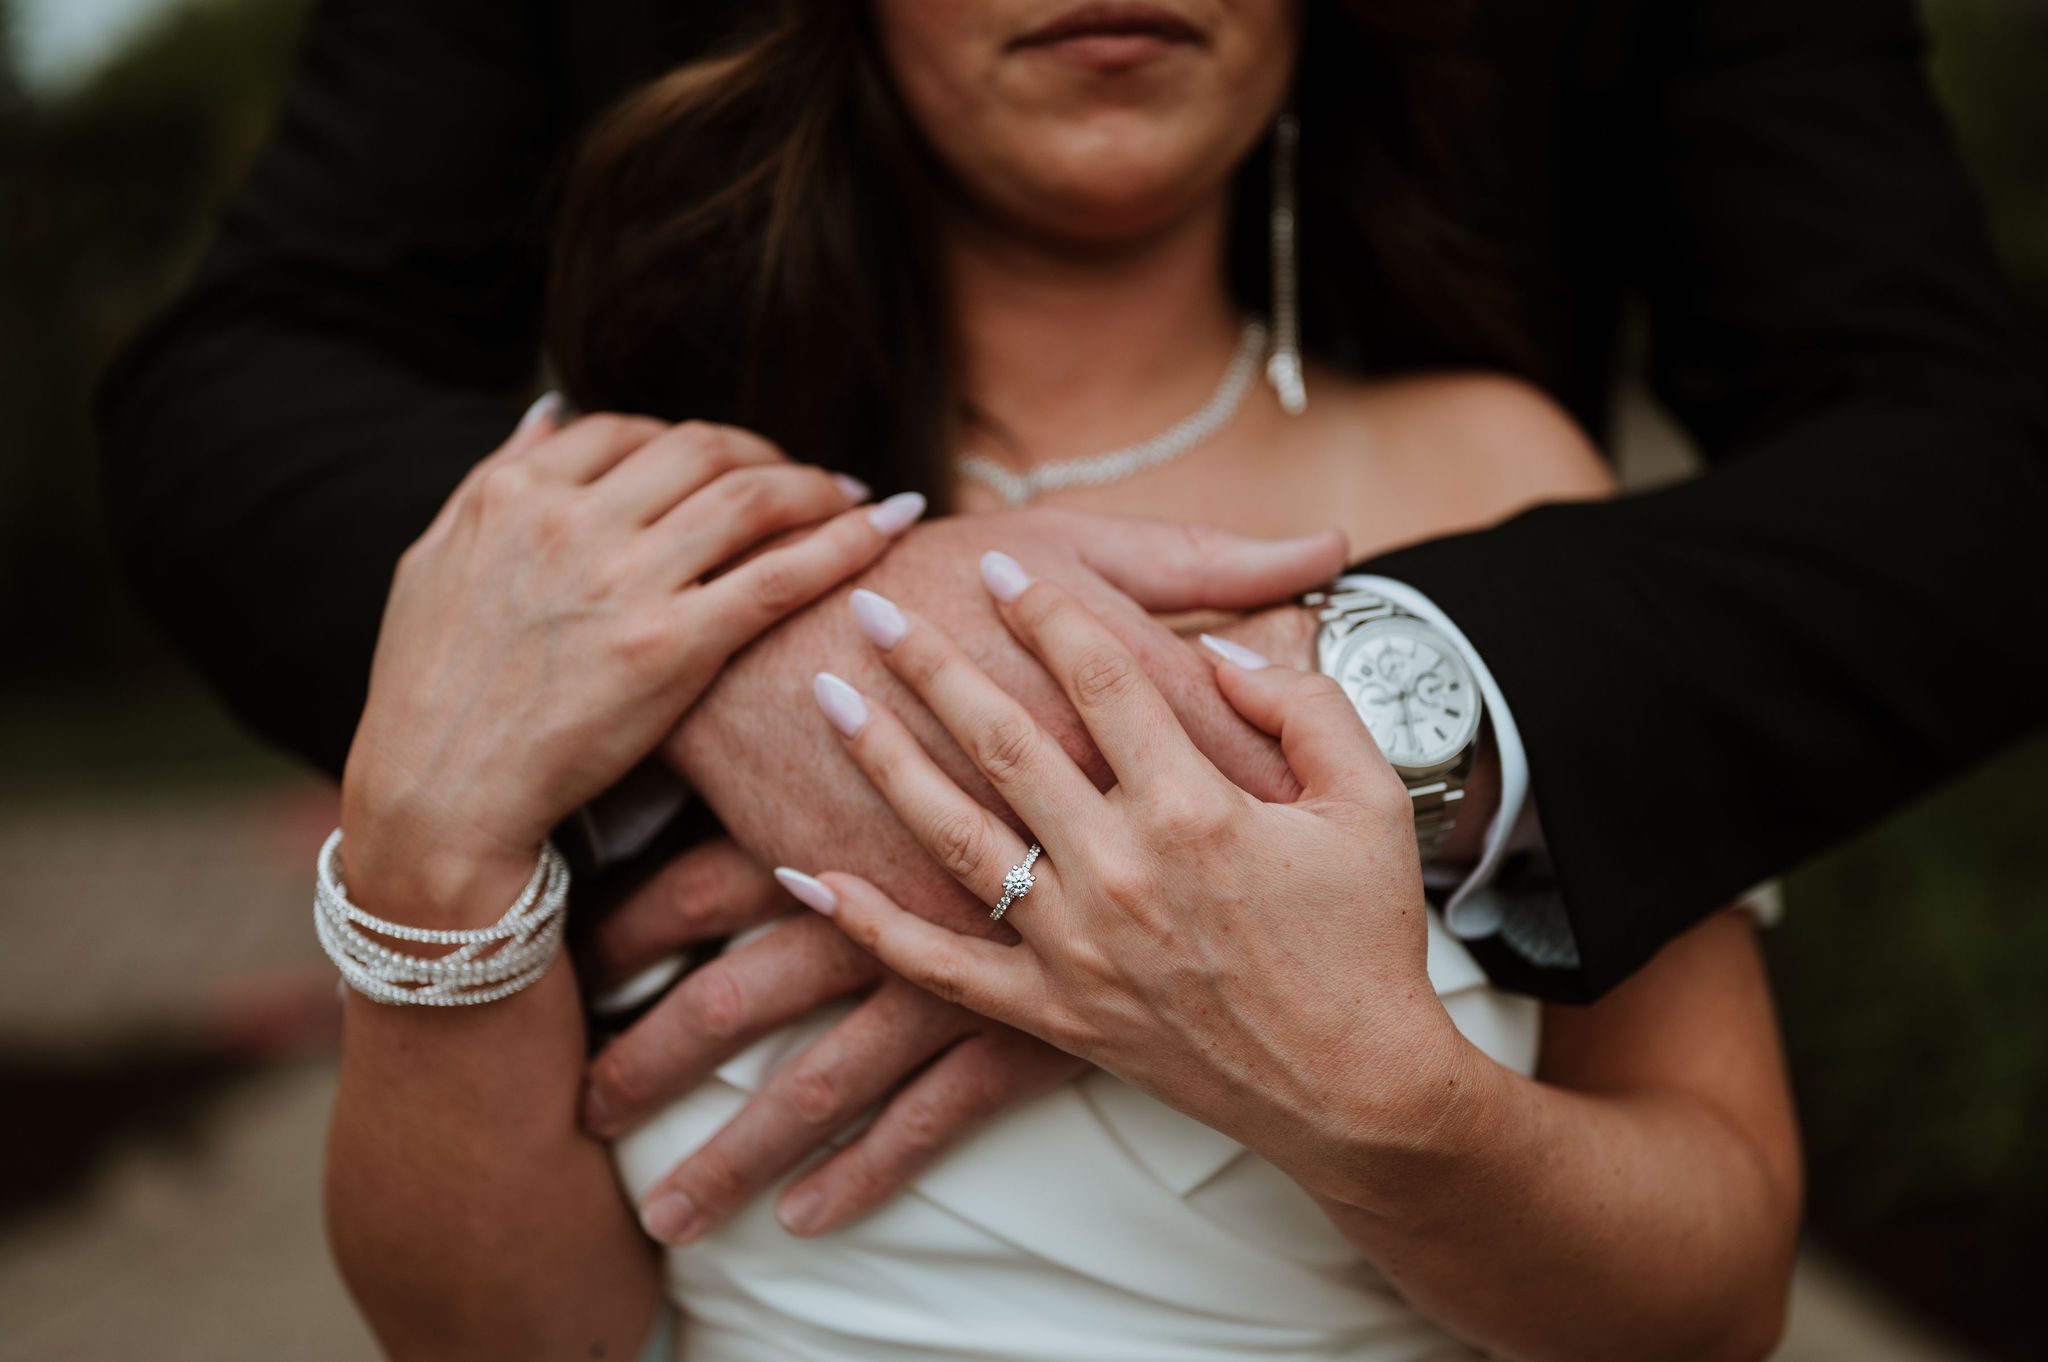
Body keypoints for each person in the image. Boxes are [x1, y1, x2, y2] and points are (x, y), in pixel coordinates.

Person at [98, 0, 2043, 1308]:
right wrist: (455, 862)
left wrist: (1371, 1096)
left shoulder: (1506, 480)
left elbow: (1709, 1278)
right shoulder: (576, 566)